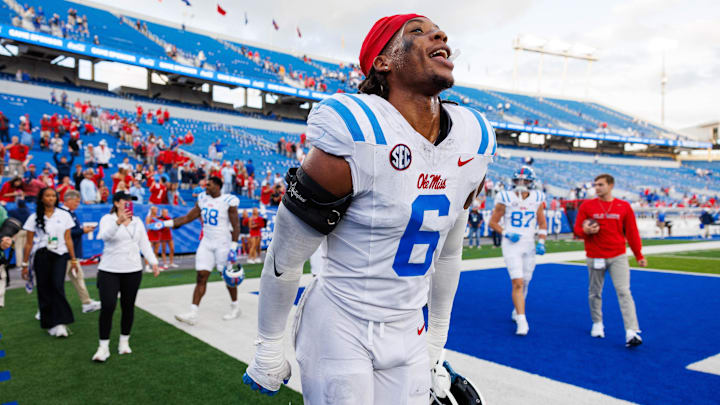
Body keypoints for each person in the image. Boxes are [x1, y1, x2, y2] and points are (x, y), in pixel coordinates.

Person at [243, 14, 495, 403]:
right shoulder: (357, 132)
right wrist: (269, 345)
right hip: (341, 322)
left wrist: (436, 343)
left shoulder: (471, 138)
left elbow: (449, 253)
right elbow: (286, 255)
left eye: (438, 31)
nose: (439, 34)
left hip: (409, 325)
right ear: (383, 61)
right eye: (417, 31)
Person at [153, 177, 241, 324]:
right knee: (201, 276)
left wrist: (233, 246)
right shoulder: (202, 199)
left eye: (209, 185)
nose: (206, 187)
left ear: (218, 186)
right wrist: (165, 224)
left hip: (223, 243)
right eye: (206, 184)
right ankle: (193, 312)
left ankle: (235, 306)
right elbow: (188, 217)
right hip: (206, 241)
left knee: (226, 276)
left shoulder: (228, 201)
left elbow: (236, 225)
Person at [573, 174, 646, 348]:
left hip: (618, 255)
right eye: (595, 185)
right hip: (595, 255)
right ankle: (597, 323)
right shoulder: (587, 205)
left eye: (601, 184)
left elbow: (632, 232)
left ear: (611, 185)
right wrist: (586, 231)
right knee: (595, 292)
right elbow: (576, 229)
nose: (597, 188)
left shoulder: (623, 206)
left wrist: (639, 255)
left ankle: (631, 331)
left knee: (624, 292)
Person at [92, 192, 159, 362]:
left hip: (133, 270)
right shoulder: (107, 219)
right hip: (109, 269)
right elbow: (105, 237)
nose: (129, 203)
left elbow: (144, 243)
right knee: (108, 306)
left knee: (128, 306)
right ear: (116, 203)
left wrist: (153, 262)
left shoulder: (138, 221)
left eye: (131, 201)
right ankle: (103, 347)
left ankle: (124, 342)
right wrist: (118, 222)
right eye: (125, 201)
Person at [488, 166, 547, 336]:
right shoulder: (504, 197)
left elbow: (542, 224)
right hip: (511, 244)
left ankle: (517, 309)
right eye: (518, 180)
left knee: (526, 281)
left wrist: (541, 241)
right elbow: (493, 222)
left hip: (529, 244)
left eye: (525, 180)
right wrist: (506, 232)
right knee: (518, 282)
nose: (521, 184)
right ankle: (522, 319)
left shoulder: (537, 198)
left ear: (531, 182)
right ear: (513, 181)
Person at [21, 187, 79, 337]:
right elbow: (28, 243)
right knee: (44, 289)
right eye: (47, 196)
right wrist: (24, 264)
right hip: (41, 255)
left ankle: (61, 323)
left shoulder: (64, 215)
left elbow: (68, 239)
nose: (51, 198)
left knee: (57, 285)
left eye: (53, 196)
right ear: (42, 198)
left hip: (60, 254)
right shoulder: (33, 217)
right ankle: (49, 323)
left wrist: (73, 259)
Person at [62, 190, 101, 313]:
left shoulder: (70, 213)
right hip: (65, 253)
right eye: (76, 201)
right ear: (68, 200)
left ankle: (86, 302)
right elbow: (66, 233)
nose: (78, 204)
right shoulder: (63, 214)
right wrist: (82, 231)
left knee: (78, 277)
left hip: (71, 252)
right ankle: (44, 309)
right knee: (57, 282)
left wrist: (82, 230)